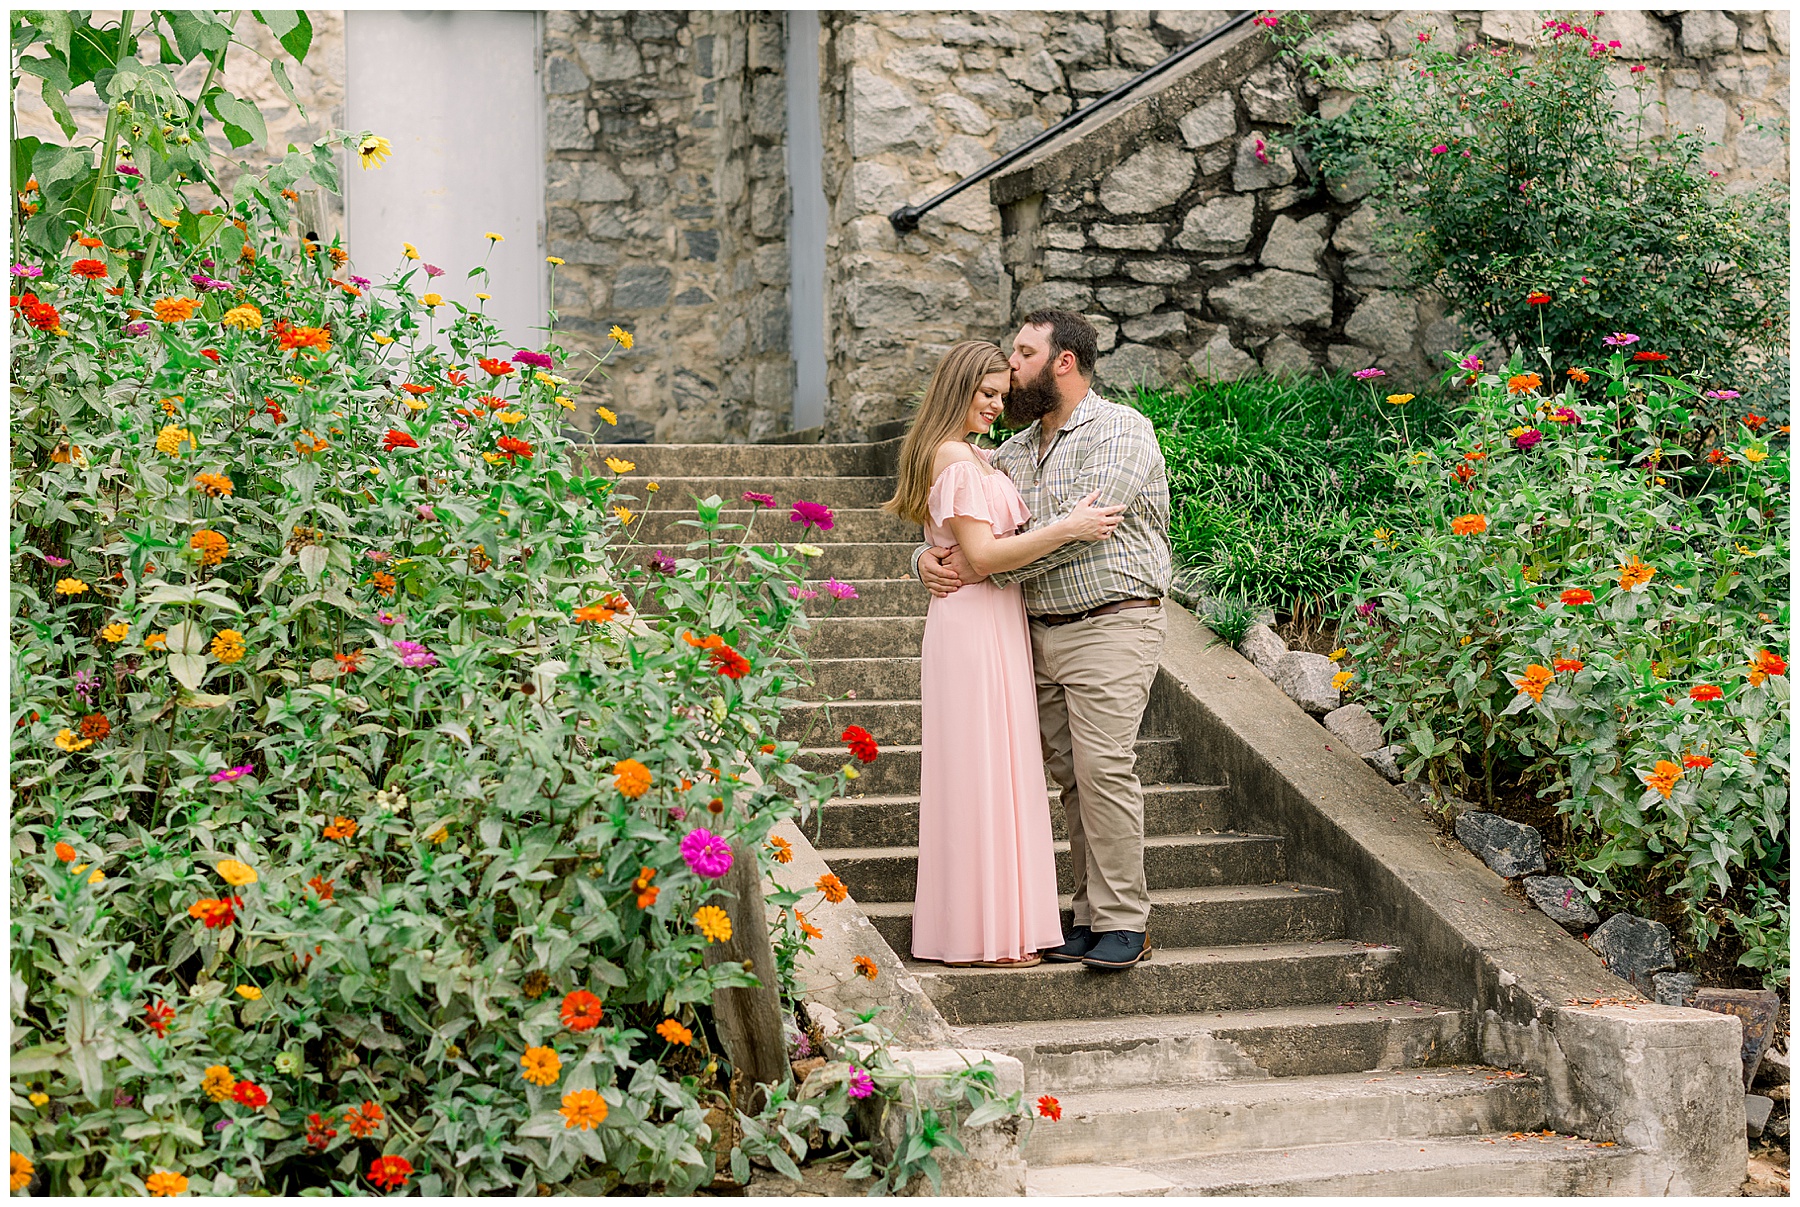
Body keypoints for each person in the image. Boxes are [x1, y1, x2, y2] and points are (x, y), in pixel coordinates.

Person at [913, 310, 1172, 971]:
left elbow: (1081, 525)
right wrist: (925, 559)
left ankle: (1124, 921)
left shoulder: (1122, 431)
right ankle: (1085, 915)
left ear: (1063, 361)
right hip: (1035, 631)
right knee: (1069, 777)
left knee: (1104, 766)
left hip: (1112, 619)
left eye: (1024, 353)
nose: (1012, 366)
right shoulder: (1014, 450)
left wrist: (977, 564)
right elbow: (961, 512)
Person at [882, 340, 1124, 968]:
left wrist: (923, 555)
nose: (995, 403)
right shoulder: (955, 458)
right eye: (984, 393)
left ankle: (1001, 926)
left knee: (999, 771)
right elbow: (984, 557)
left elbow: (957, 542)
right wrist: (1066, 528)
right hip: (971, 623)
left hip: (994, 620)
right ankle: (978, 934)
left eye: (1000, 393)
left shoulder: (978, 457)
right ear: (955, 390)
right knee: (977, 773)